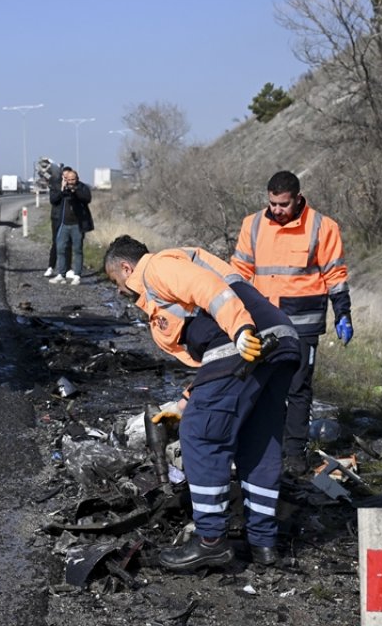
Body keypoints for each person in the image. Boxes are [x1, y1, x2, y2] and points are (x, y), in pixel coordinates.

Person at [102, 235, 300, 572]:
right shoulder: (169, 284)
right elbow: (216, 372)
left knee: (201, 433)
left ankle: (211, 541)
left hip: (245, 341)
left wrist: (240, 330)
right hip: (280, 340)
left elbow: (208, 289)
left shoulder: (156, 269)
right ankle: (263, 543)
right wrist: (184, 402)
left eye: (115, 281)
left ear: (126, 267)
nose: (119, 290)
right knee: (257, 442)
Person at [231, 171, 353, 477]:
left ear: (297, 198)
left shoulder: (322, 227)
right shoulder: (253, 224)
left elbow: (335, 275)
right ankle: (259, 446)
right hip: (264, 323)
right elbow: (239, 272)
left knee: (298, 389)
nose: (277, 210)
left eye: (283, 204)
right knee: (258, 385)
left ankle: (294, 454)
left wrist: (343, 313)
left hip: (303, 324)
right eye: (272, 203)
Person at [49, 168, 93, 285]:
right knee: (60, 248)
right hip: (64, 223)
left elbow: (87, 198)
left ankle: (77, 275)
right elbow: (53, 200)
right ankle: (61, 274)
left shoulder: (82, 187)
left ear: (77, 179)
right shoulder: (63, 188)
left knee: (77, 249)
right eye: (68, 180)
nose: (70, 182)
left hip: (77, 224)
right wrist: (62, 189)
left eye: (73, 179)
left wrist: (75, 191)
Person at [44, 165, 67, 277]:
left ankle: (67, 269)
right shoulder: (55, 183)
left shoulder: (72, 185)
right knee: (56, 242)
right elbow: (53, 199)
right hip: (57, 217)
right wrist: (62, 190)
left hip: (69, 217)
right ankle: (51, 267)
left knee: (67, 243)